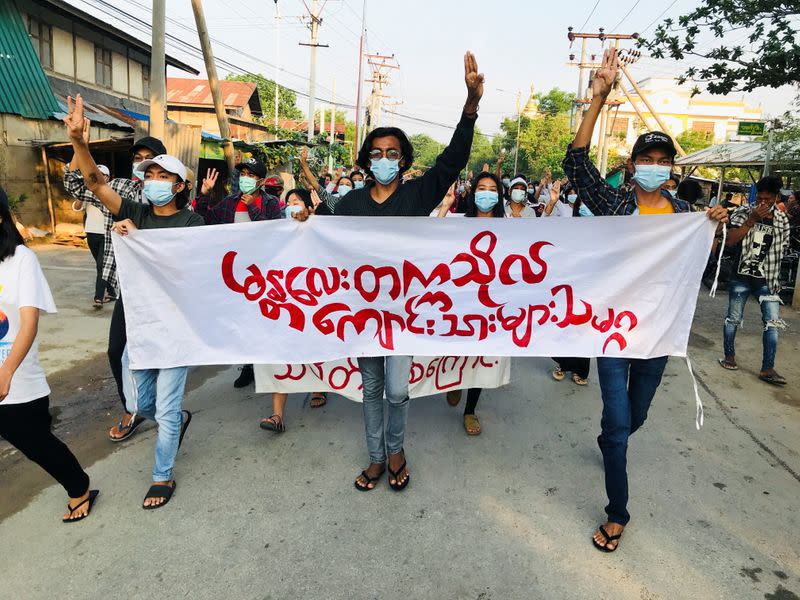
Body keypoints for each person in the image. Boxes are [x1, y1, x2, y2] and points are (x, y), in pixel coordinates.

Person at [563, 48, 729, 553]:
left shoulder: (685, 215)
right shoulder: (614, 203)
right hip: (612, 331)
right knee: (617, 423)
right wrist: (598, 98)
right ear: (633, 165)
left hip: (655, 335)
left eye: (663, 162)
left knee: (636, 418)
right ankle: (618, 512)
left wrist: (717, 226)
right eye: (646, 160)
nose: (654, 168)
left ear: (671, 169)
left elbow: (705, 256)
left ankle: (611, 440)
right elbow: (575, 164)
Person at [335, 51, 483, 492]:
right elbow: (322, 246)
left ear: (403, 159)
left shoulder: (418, 196)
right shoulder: (350, 204)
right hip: (363, 313)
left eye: (392, 153)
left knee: (397, 390)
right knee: (371, 389)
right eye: (377, 153)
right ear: (367, 160)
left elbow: (452, 161)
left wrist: (470, 105)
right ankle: (377, 459)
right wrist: (306, 221)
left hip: (403, 311)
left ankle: (396, 449)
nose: (384, 158)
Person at [65, 94, 204, 509]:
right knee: (140, 401)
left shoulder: (192, 222)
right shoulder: (135, 212)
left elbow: (199, 268)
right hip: (138, 315)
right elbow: (96, 185)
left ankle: (162, 475)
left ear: (180, 186)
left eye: (163, 175)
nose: (154, 181)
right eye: (150, 175)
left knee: (163, 402)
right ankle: (175, 420)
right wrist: (79, 144)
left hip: (176, 322)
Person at [0, 186, 100, 523]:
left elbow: (29, 322)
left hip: (15, 372)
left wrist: (8, 370)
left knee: (33, 441)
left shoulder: (20, 260)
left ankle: (79, 486)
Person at [64, 129, 168, 444]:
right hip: (129, 291)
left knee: (163, 355)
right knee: (117, 351)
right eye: (137, 159)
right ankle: (131, 407)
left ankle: (164, 407)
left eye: (150, 160)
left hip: (164, 293)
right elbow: (80, 184)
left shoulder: (173, 200)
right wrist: (76, 142)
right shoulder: (120, 189)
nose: (143, 165)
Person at [195, 159, 281, 389]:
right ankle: (248, 366)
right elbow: (206, 221)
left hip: (264, 271)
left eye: (251, 175)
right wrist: (204, 194)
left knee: (263, 318)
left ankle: (266, 366)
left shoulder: (271, 203)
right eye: (243, 173)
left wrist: (252, 206)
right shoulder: (229, 202)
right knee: (244, 319)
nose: (245, 178)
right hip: (236, 272)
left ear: (260, 181)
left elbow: (275, 232)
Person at [440, 172, 508, 434]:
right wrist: (445, 207)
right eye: (482, 188)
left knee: (481, 355)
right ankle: (454, 380)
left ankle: (470, 410)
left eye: (493, 189)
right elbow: (428, 239)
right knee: (457, 348)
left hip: (491, 303)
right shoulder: (460, 223)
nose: (487, 193)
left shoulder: (510, 226)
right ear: (473, 192)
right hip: (459, 300)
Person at [719, 175, 790, 386]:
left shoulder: (782, 220)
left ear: (776, 198)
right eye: (760, 198)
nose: (762, 203)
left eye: (767, 199)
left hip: (767, 279)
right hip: (741, 277)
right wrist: (752, 220)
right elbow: (730, 241)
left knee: (772, 323)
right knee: (733, 318)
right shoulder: (743, 212)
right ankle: (729, 356)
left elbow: (783, 248)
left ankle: (767, 368)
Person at [258, 189, 317, 433]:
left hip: (313, 299)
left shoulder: (318, 228)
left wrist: (314, 219)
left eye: (297, 201)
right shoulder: (274, 231)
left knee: (316, 347)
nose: (292, 205)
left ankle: (319, 387)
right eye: (288, 202)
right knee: (279, 351)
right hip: (283, 300)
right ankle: (277, 414)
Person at [69, 164, 116, 309]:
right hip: (91, 233)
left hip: (108, 234)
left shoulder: (113, 192)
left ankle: (98, 297)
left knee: (101, 265)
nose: (98, 177)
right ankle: (112, 291)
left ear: (108, 178)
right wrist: (82, 193)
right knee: (100, 264)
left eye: (102, 175)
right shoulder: (87, 192)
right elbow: (76, 208)